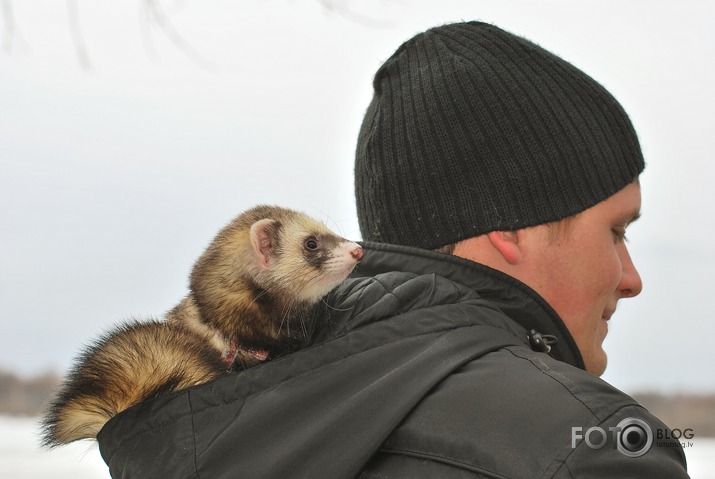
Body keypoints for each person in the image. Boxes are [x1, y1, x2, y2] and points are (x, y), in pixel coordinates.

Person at [96, 22, 689, 478]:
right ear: (510, 228)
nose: (632, 278)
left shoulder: (231, 425)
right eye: (617, 231)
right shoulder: (596, 447)